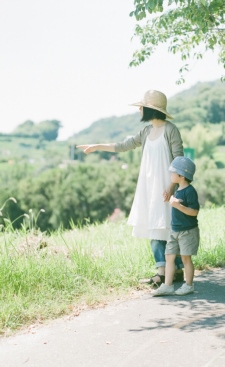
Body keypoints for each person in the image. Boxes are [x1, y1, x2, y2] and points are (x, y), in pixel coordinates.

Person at [76, 90, 184, 286]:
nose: (139, 110)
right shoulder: (146, 132)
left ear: (151, 109)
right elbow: (123, 146)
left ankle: (164, 272)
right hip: (150, 188)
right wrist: (97, 146)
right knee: (156, 227)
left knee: (165, 228)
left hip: (167, 187)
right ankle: (172, 271)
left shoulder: (171, 130)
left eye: (141, 107)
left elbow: (179, 161)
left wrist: (171, 187)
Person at [151, 156, 200, 296]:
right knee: (169, 257)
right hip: (175, 230)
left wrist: (177, 205)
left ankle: (189, 285)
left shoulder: (190, 191)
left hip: (187, 232)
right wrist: (172, 202)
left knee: (185, 258)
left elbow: (194, 211)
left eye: (173, 172)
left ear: (181, 175)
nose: (170, 175)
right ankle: (168, 285)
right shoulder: (177, 189)